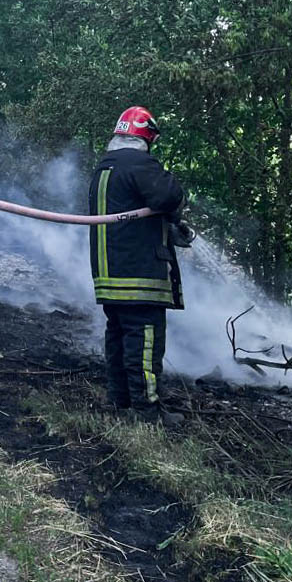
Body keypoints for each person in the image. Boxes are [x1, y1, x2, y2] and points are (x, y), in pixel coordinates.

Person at [88, 106, 193, 423]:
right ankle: (148, 413)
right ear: (147, 136)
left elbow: (138, 212)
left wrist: (171, 227)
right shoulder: (139, 162)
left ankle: (120, 404)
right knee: (144, 345)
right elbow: (169, 196)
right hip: (138, 277)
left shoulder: (105, 167)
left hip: (110, 275)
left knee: (119, 339)